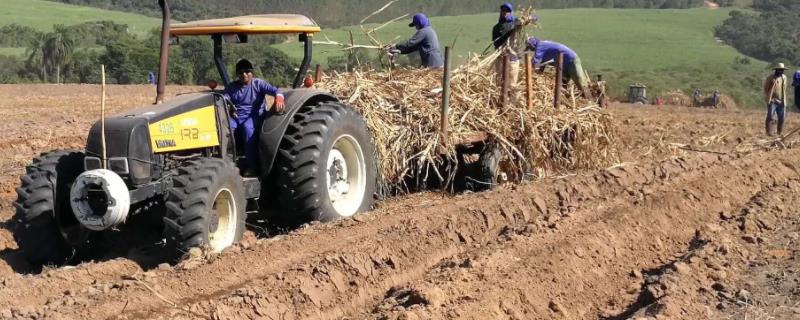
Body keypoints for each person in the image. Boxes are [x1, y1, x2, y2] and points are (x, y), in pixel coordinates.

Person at [223, 59, 285, 176]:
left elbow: (276, 90)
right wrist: (228, 107)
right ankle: (226, 163)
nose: (244, 75)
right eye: (241, 72)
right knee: (225, 130)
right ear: (237, 74)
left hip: (253, 116)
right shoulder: (232, 87)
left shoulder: (258, 84)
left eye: (247, 72)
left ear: (252, 73)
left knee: (248, 130)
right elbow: (224, 98)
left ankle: (253, 167)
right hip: (236, 117)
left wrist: (279, 97)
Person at [526, 37, 591, 99]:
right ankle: (565, 100)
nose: (531, 50)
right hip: (563, 65)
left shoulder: (540, 45)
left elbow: (534, 62)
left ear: (533, 45)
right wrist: (540, 72)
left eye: (530, 47)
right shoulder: (543, 47)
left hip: (571, 60)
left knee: (581, 83)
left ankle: (589, 100)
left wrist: (529, 73)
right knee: (562, 84)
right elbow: (543, 63)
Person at [492, 3, 520, 89]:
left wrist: (527, 19)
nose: (505, 12)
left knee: (511, 85)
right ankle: (499, 102)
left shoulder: (516, 23)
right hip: (500, 58)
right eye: (503, 10)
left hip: (512, 59)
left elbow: (534, 17)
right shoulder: (496, 27)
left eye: (507, 11)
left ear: (510, 12)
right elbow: (495, 43)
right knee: (499, 83)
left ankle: (511, 101)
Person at [764, 62, 788, 136]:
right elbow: (765, 88)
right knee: (770, 116)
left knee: (782, 117)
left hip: (781, 100)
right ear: (776, 70)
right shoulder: (771, 78)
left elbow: (785, 88)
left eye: (782, 70)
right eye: (779, 70)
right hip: (773, 100)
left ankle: (779, 133)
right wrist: (769, 98)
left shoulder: (784, 77)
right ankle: (769, 132)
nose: (781, 71)